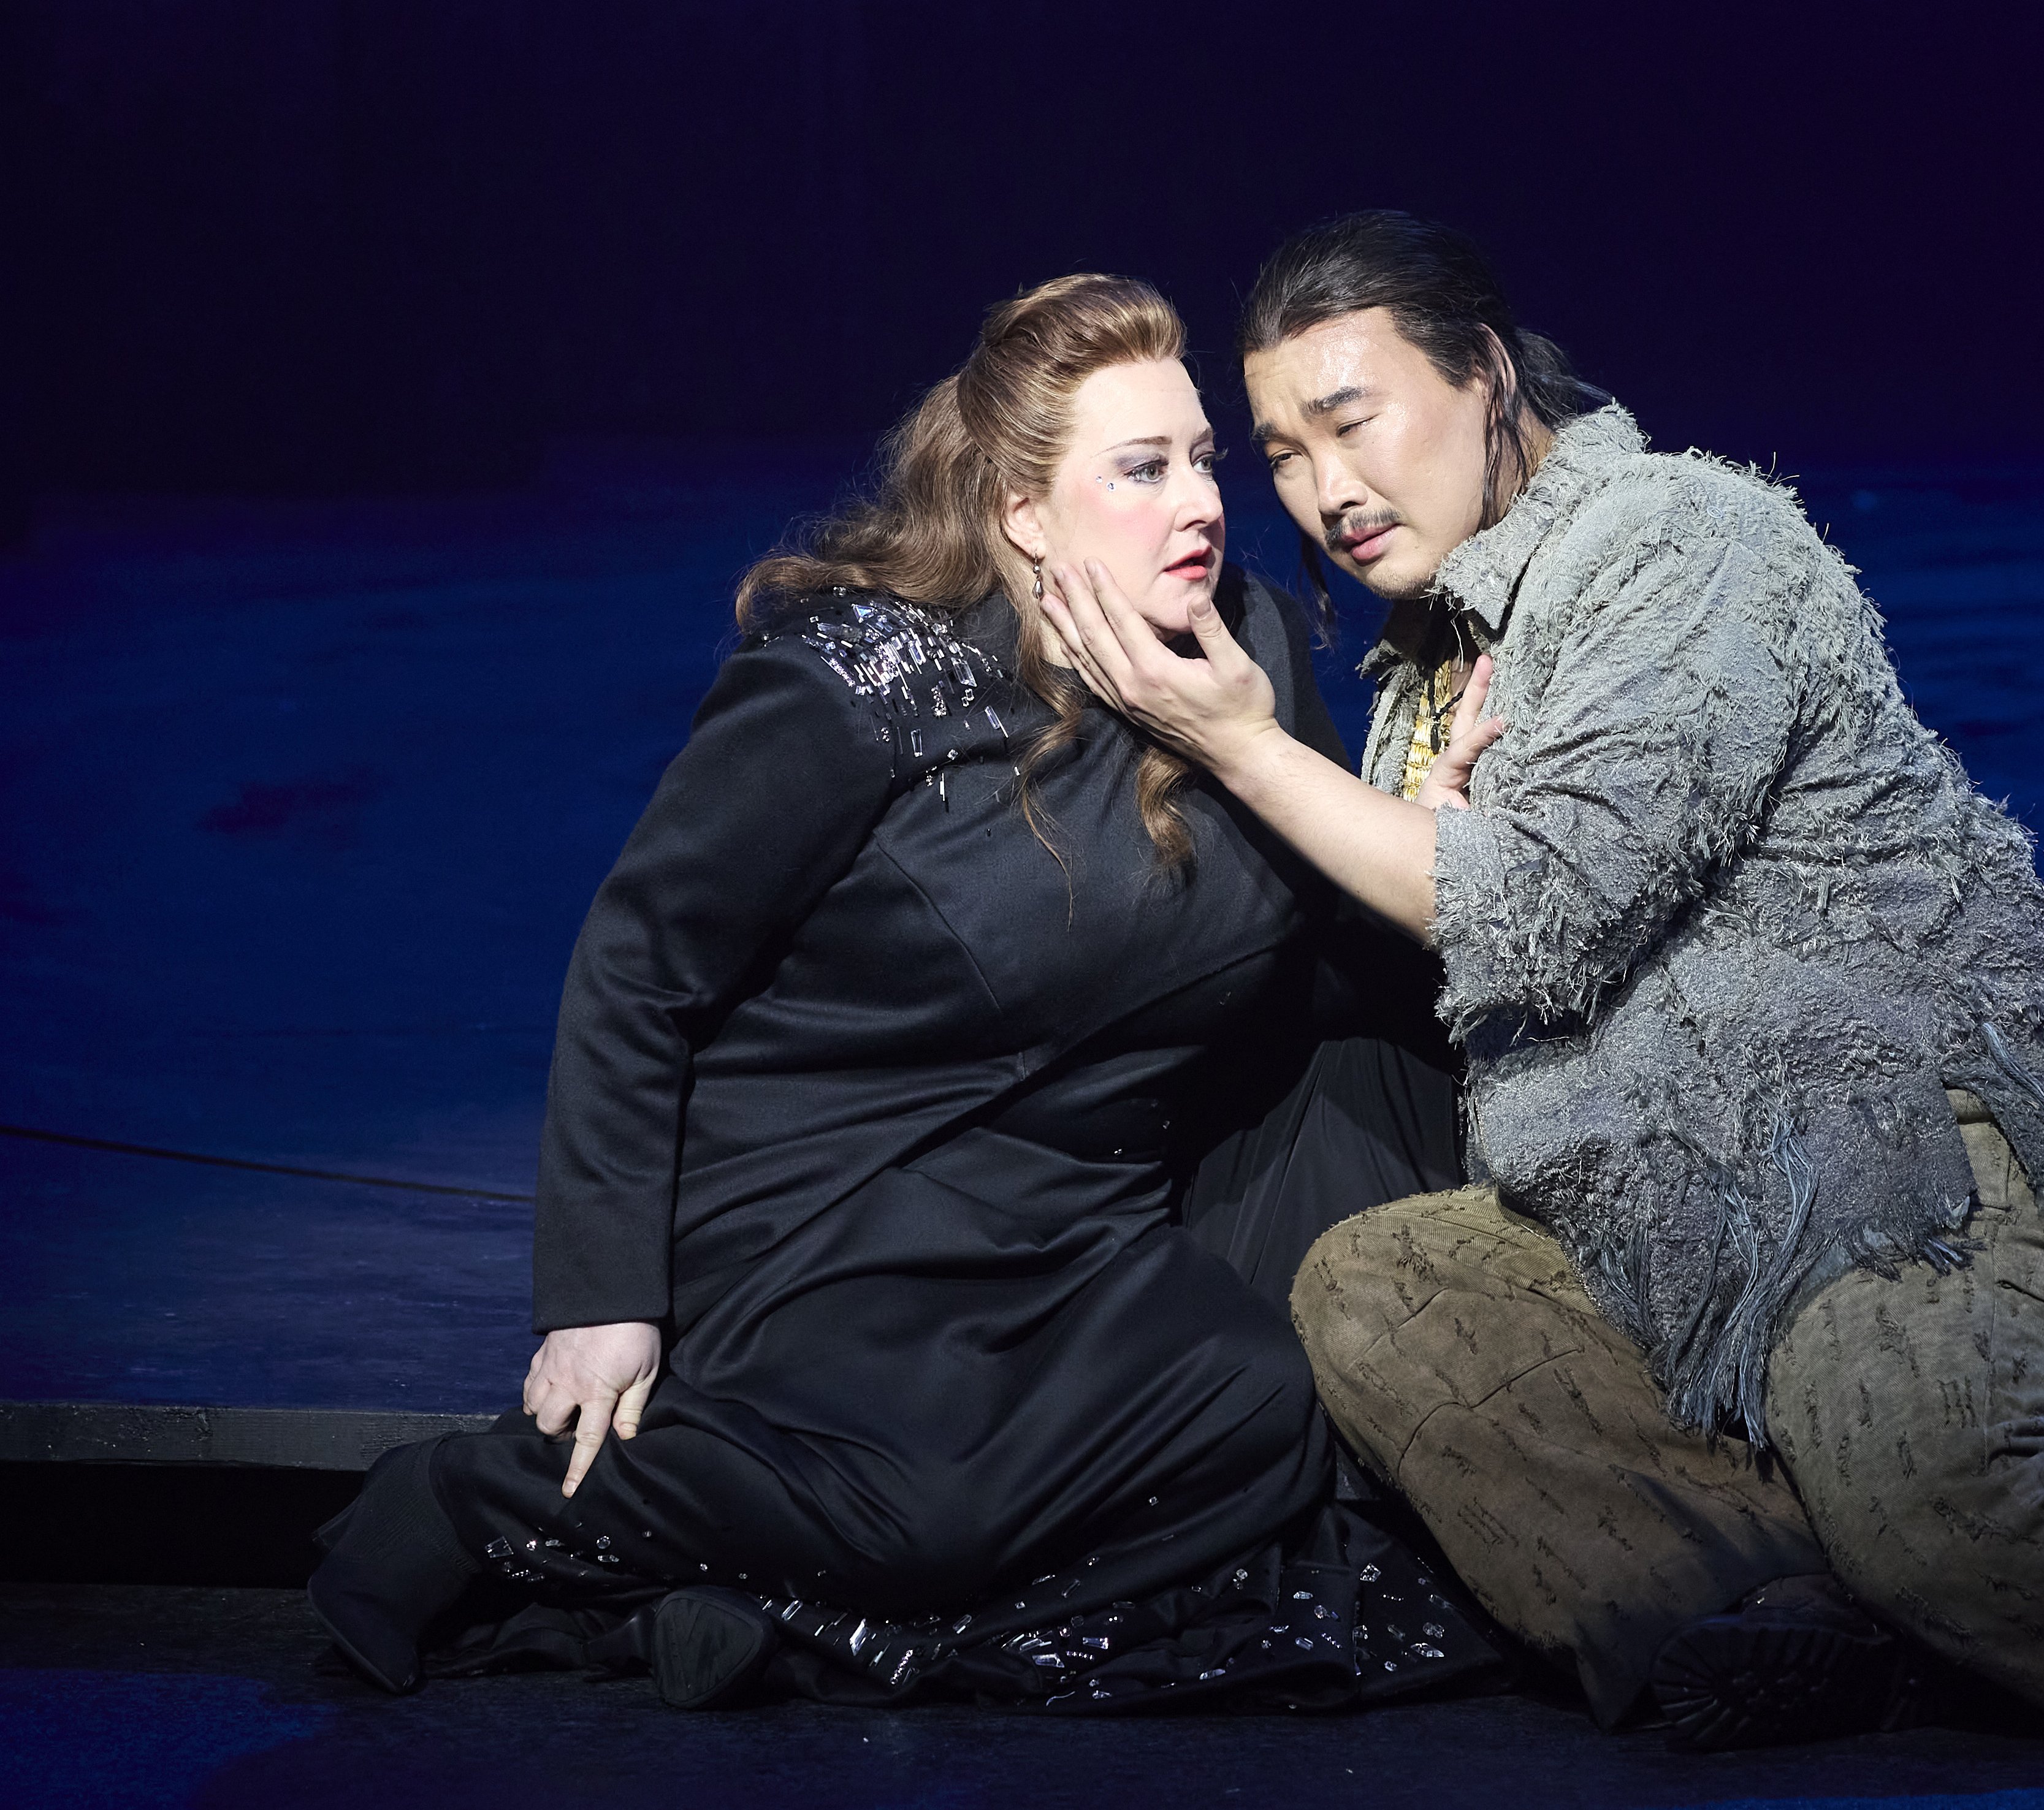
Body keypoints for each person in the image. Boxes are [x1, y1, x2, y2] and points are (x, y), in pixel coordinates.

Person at [1039, 213, 2044, 1762]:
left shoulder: (1676, 541)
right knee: (1382, 1294)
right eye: (1285, 452)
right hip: (1669, 1203)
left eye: (1357, 418)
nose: (1326, 485)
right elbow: (1470, 936)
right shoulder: (1435, 654)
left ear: (1481, 375)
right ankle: (1798, 1616)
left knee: (1920, 1476)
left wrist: (1240, 744)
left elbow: (1531, 914)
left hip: (1899, 1153)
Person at [303, 273, 1495, 1712]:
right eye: (1140, 469)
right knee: (930, 1513)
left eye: (1201, 460)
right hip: (835, 1213)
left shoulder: (1245, 651)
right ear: (1022, 513)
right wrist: (601, 1293)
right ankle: (468, 1504)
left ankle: (798, 1623)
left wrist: (1407, 828)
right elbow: (639, 964)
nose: (1201, 504)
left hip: (1070, 1228)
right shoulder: (857, 684)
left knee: (1266, 1409)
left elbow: (1287, 962)